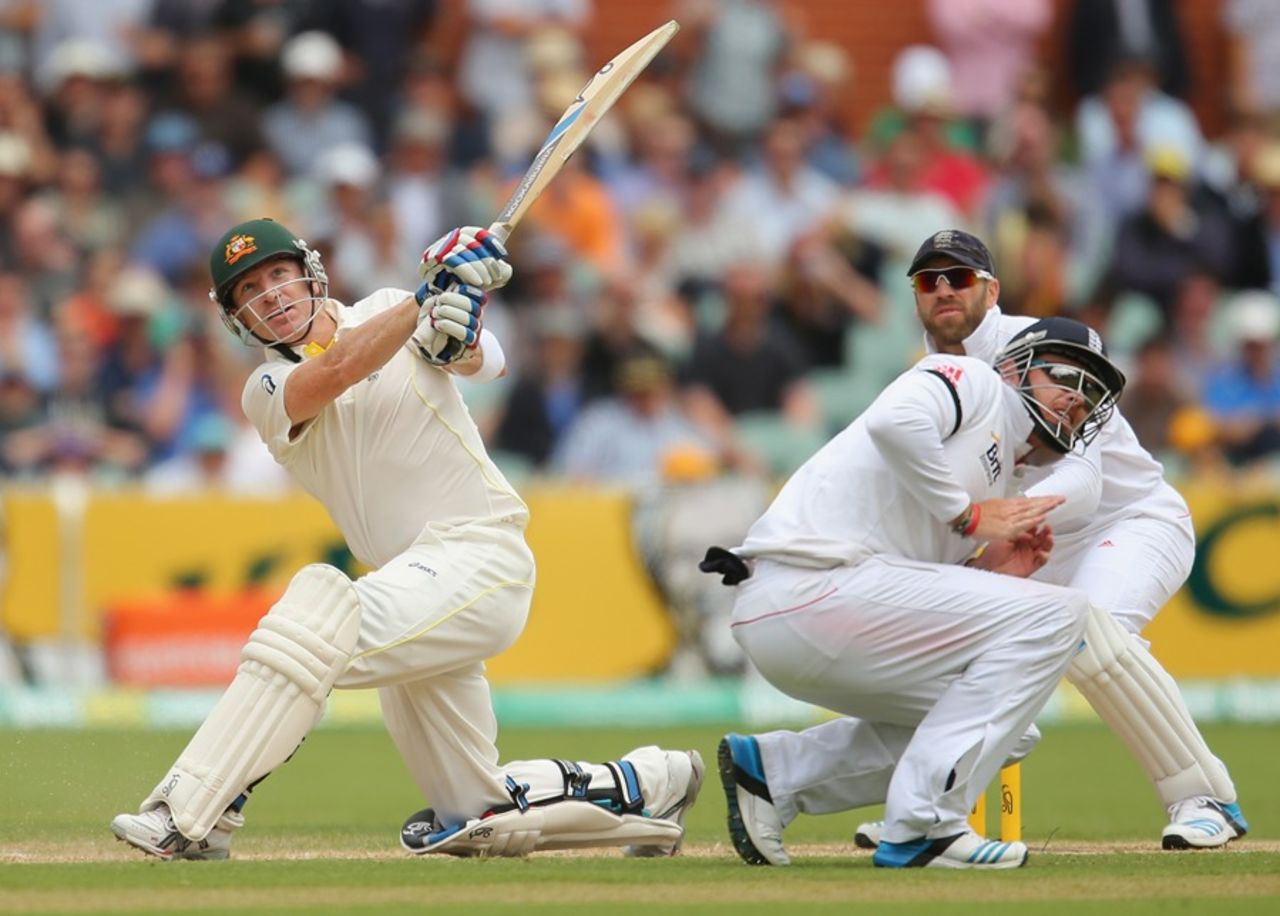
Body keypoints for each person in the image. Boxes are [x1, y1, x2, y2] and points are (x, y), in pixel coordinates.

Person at [110, 218, 703, 861]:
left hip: (480, 556)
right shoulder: (266, 390)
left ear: (309, 271)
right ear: (235, 318)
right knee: (474, 808)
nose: (272, 295)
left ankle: (196, 807)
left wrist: (460, 320)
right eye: (249, 290)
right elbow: (336, 369)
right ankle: (651, 782)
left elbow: (487, 362)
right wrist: (429, 296)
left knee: (318, 606)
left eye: (278, 274)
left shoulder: (390, 305)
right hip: (413, 592)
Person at [718, 230, 1245, 867]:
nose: (943, 288)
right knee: (986, 681)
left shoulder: (1045, 351)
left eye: (959, 277)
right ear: (913, 295)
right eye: (928, 279)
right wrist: (985, 540)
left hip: (1129, 521)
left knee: (1088, 630)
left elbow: (1087, 478)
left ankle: (1203, 798)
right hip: (1009, 538)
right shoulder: (938, 374)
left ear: (991, 291)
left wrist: (995, 518)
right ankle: (899, 797)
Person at [706, 309, 1128, 870]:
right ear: (1015, 369)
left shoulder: (1003, 472)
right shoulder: (975, 381)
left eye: (1090, 392)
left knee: (1008, 728)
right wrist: (970, 517)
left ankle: (776, 774)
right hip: (807, 584)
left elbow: (908, 585)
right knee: (1061, 613)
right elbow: (894, 421)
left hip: (818, 607)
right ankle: (924, 825)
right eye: (1066, 378)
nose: (1076, 401)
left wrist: (994, 576)